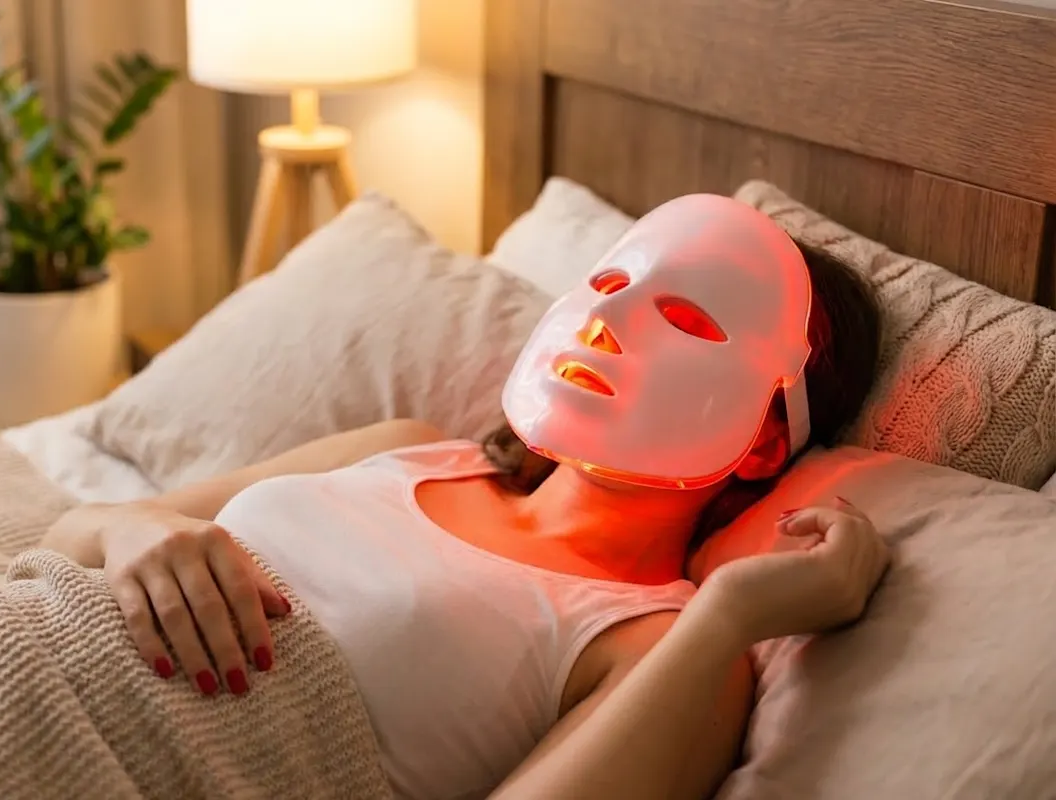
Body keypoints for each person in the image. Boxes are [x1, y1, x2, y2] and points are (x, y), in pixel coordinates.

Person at [44, 193, 888, 799]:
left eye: (688, 319)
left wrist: (731, 615)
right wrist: (135, 532)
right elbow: (62, 539)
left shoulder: (655, 643)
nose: (607, 324)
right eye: (605, 286)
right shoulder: (408, 449)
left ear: (769, 435)